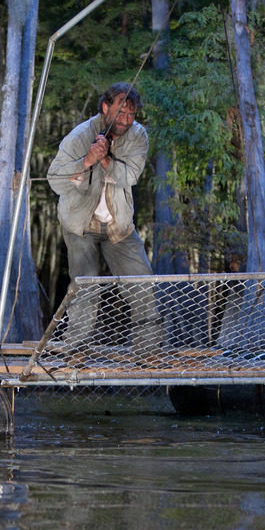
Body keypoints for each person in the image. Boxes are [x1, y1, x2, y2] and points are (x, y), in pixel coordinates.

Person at [47, 82, 161, 363]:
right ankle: (76, 351)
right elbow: (54, 180)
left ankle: (148, 353)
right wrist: (87, 160)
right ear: (105, 107)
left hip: (118, 225)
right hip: (79, 224)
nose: (125, 120)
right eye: (120, 112)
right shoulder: (80, 134)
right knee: (85, 284)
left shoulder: (138, 136)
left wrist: (108, 161)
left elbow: (131, 176)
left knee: (142, 283)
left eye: (131, 114)